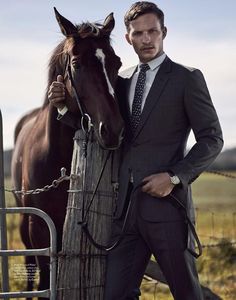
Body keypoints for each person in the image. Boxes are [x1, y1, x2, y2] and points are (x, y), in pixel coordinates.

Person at [48, 2, 223, 299]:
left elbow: (212, 139)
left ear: (163, 32)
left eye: (152, 31)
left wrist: (175, 177)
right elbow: (101, 128)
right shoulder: (121, 79)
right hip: (125, 213)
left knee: (186, 293)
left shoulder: (187, 78)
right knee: (115, 295)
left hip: (168, 211)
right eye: (138, 33)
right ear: (128, 38)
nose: (146, 39)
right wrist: (63, 106)